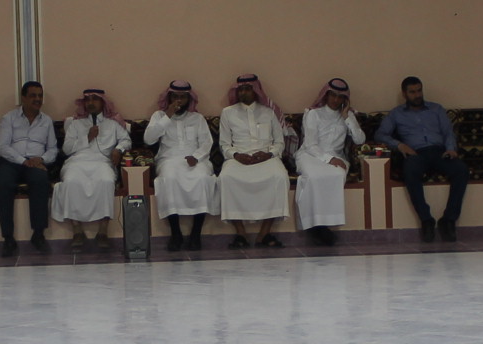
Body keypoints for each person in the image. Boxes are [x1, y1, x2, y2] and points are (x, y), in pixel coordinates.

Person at [374, 75, 468, 239]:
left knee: (461, 170)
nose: (417, 95)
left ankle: (449, 220)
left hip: (440, 152)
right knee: (410, 171)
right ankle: (426, 220)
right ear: (404, 94)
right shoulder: (396, 114)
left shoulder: (436, 109)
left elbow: (448, 131)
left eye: (419, 91)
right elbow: (380, 134)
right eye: (412, 92)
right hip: (416, 153)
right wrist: (400, 145)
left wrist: (451, 148)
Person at [217, 74, 290, 248]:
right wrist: (236, 155)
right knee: (225, 178)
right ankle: (240, 234)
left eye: (248, 89)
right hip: (238, 158)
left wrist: (269, 154)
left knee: (280, 177)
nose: (243, 92)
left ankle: (264, 233)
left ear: (256, 90)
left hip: (266, 158)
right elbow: (224, 144)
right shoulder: (227, 113)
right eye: (241, 89)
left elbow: (279, 142)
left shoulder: (269, 112)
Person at [144, 81, 214, 252]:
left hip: (196, 159)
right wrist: (168, 115)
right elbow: (148, 139)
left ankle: (196, 234)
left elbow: (206, 143)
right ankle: (176, 234)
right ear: (169, 98)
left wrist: (196, 157)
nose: (179, 101)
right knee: (168, 179)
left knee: (203, 178)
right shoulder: (159, 116)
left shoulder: (197, 118)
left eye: (183, 97)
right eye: (175, 97)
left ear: (189, 99)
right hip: (168, 159)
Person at [56, 89, 129, 253]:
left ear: (103, 103)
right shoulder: (75, 124)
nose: (90, 103)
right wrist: (86, 138)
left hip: (102, 163)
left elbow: (126, 140)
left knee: (106, 181)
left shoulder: (112, 124)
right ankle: (77, 230)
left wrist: (118, 149)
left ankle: (103, 231)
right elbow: (66, 149)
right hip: (77, 162)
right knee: (70, 181)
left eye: (95, 99)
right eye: (88, 100)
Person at [293, 79, 366, 245]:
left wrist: (346, 117)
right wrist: (328, 159)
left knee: (337, 175)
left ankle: (324, 225)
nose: (335, 100)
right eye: (333, 95)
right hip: (310, 155)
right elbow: (311, 144)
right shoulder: (313, 114)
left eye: (340, 97)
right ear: (326, 95)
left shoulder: (348, 116)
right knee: (313, 176)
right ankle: (313, 225)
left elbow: (360, 140)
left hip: (337, 157)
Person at [0, 81, 57, 258]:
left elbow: (53, 149)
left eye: (40, 96)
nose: (37, 99)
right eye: (33, 96)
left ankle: (38, 234)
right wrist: (23, 161)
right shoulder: (9, 118)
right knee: (3, 183)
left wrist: (41, 159)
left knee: (41, 181)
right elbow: (2, 147)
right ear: (23, 98)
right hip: (11, 161)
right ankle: (8, 238)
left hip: (35, 162)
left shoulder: (47, 121)